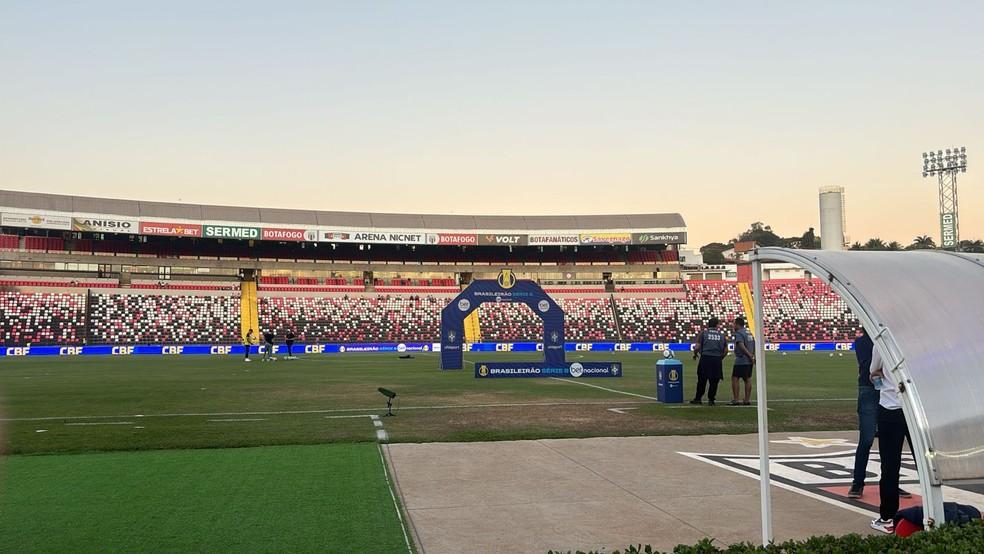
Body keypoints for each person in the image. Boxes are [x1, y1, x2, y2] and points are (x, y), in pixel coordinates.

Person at [869, 346, 909, 534]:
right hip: (916, 409)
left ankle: (887, 517)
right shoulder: (917, 337)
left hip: (891, 408)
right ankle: (936, 511)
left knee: (890, 465)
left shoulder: (882, 340)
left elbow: (873, 371)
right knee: (926, 462)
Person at [849, 328, 877, 498]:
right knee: (866, 439)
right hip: (869, 390)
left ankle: (891, 483)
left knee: (890, 442)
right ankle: (857, 482)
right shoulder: (863, 342)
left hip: (887, 392)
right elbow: (867, 367)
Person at [691, 317, 728, 406]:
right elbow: (726, 350)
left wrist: (695, 354)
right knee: (714, 381)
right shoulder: (722, 335)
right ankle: (711, 400)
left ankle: (698, 398)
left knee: (702, 380)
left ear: (708, 325)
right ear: (717, 325)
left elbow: (697, 347)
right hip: (717, 360)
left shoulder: (703, 333)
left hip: (705, 358)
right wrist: (720, 358)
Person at [729, 317, 754, 406]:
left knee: (735, 378)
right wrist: (752, 356)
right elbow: (754, 344)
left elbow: (741, 345)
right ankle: (746, 400)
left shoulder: (738, 333)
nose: (733, 325)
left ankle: (736, 400)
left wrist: (748, 355)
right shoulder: (749, 333)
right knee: (747, 379)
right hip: (749, 360)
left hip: (742, 359)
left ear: (738, 325)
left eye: (734, 323)